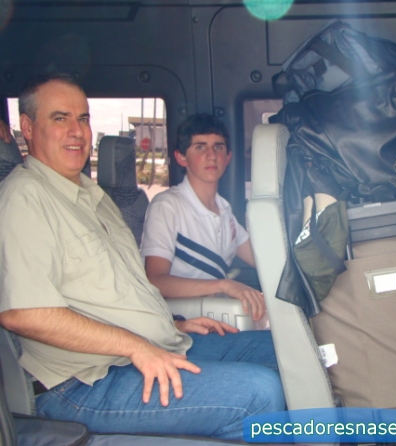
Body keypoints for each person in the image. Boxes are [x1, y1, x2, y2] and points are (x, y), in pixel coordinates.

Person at [0, 73, 285, 439]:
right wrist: (135, 345)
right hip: (84, 383)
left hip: (155, 345)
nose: (76, 131)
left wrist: (171, 325)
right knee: (259, 392)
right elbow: (24, 313)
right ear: (27, 127)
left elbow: (117, 293)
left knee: (285, 351)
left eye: (83, 118)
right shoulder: (24, 197)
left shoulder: (94, 198)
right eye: (60, 118)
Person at [140, 114, 266, 322]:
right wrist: (224, 285)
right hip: (179, 320)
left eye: (218, 147)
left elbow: (262, 260)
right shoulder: (167, 206)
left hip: (215, 314)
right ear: (181, 157)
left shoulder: (225, 211)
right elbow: (155, 281)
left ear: (228, 157)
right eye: (200, 147)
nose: (211, 155)